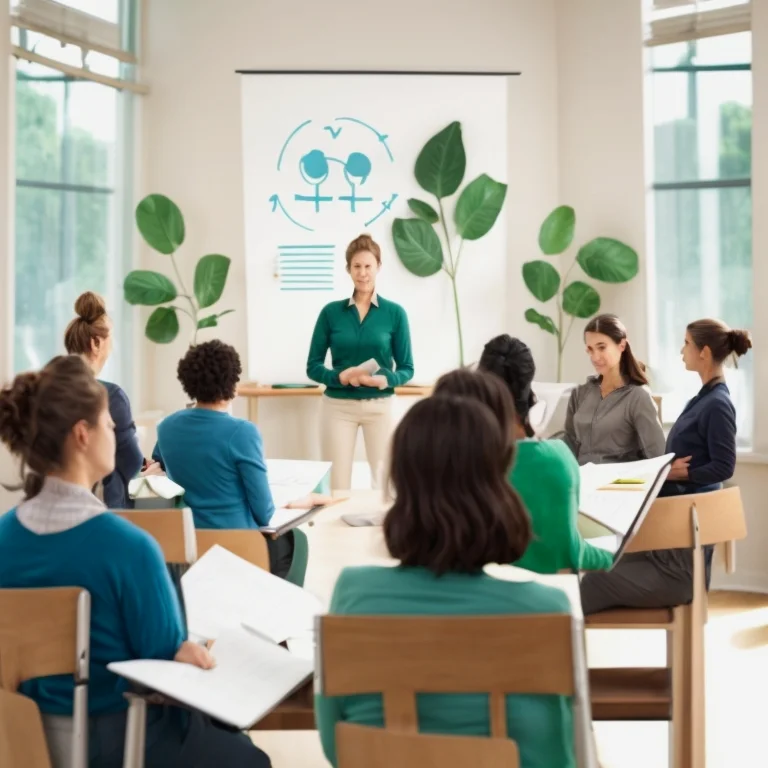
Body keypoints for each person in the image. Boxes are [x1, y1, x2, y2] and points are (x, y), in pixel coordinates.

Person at [0, 355, 269, 768]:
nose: (118, 433)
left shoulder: (4, 537)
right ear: (82, 435)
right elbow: (164, 661)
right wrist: (187, 649)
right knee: (250, 759)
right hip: (116, 743)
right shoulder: (128, 547)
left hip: (18, 741)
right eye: (110, 424)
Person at [315, 395, 576, 768]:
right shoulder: (548, 609)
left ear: (401, 483)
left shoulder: (353, 595)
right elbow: (559, 755)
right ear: (499, 485)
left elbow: (335, 745)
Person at [580, 320, 752, 615]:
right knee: (595, 565)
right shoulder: (704, 398)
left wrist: (681, 472)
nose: (681, 351)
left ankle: (555, 653)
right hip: (664, 549)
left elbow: (724, 466)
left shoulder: (717, 404)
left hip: (677, 565)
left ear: (704, 352)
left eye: (686, 343)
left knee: (592, 582)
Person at [153, 340, 316, 578]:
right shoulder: (242, 432)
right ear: (232, 383)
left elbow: (159, 462)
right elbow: (264, 513)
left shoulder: (167, 427)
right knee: (297, 543)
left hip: (191, 544)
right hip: (240, 545)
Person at [475, 335, 611, 572]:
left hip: (482, 600)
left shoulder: (466, 461)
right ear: (529, 389)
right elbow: (571, 550)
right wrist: (612, 556)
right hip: (552, 601)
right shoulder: (559, 457)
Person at [306, 233, 414, 491]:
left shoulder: (395, 313)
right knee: (336, 487)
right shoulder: (331, 312)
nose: (363, 273)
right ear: (348, 269)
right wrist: (338, 377)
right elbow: (313, 366)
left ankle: (386, 532)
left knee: (386, 486)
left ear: (378, 267)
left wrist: (385, 379)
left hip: (381, 405)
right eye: (357, 266)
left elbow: (407, 368)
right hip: (337, 407)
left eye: (368, 266)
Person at [64, 291, 148, 508]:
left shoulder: (52, 392)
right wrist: (150, 471)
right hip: (105, 509)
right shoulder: (110, 397)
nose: (113, 345)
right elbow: (133, 468)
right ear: (96, 343)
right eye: (111, 337)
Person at [563, 313, 665, 464]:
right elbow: (569, 446)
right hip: (581, 481)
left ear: (621, 345)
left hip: (619, 483)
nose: (595, 357)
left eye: (602, 347)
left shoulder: (638, 396)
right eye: (590, 349)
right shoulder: (579, 393)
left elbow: (658, 457)